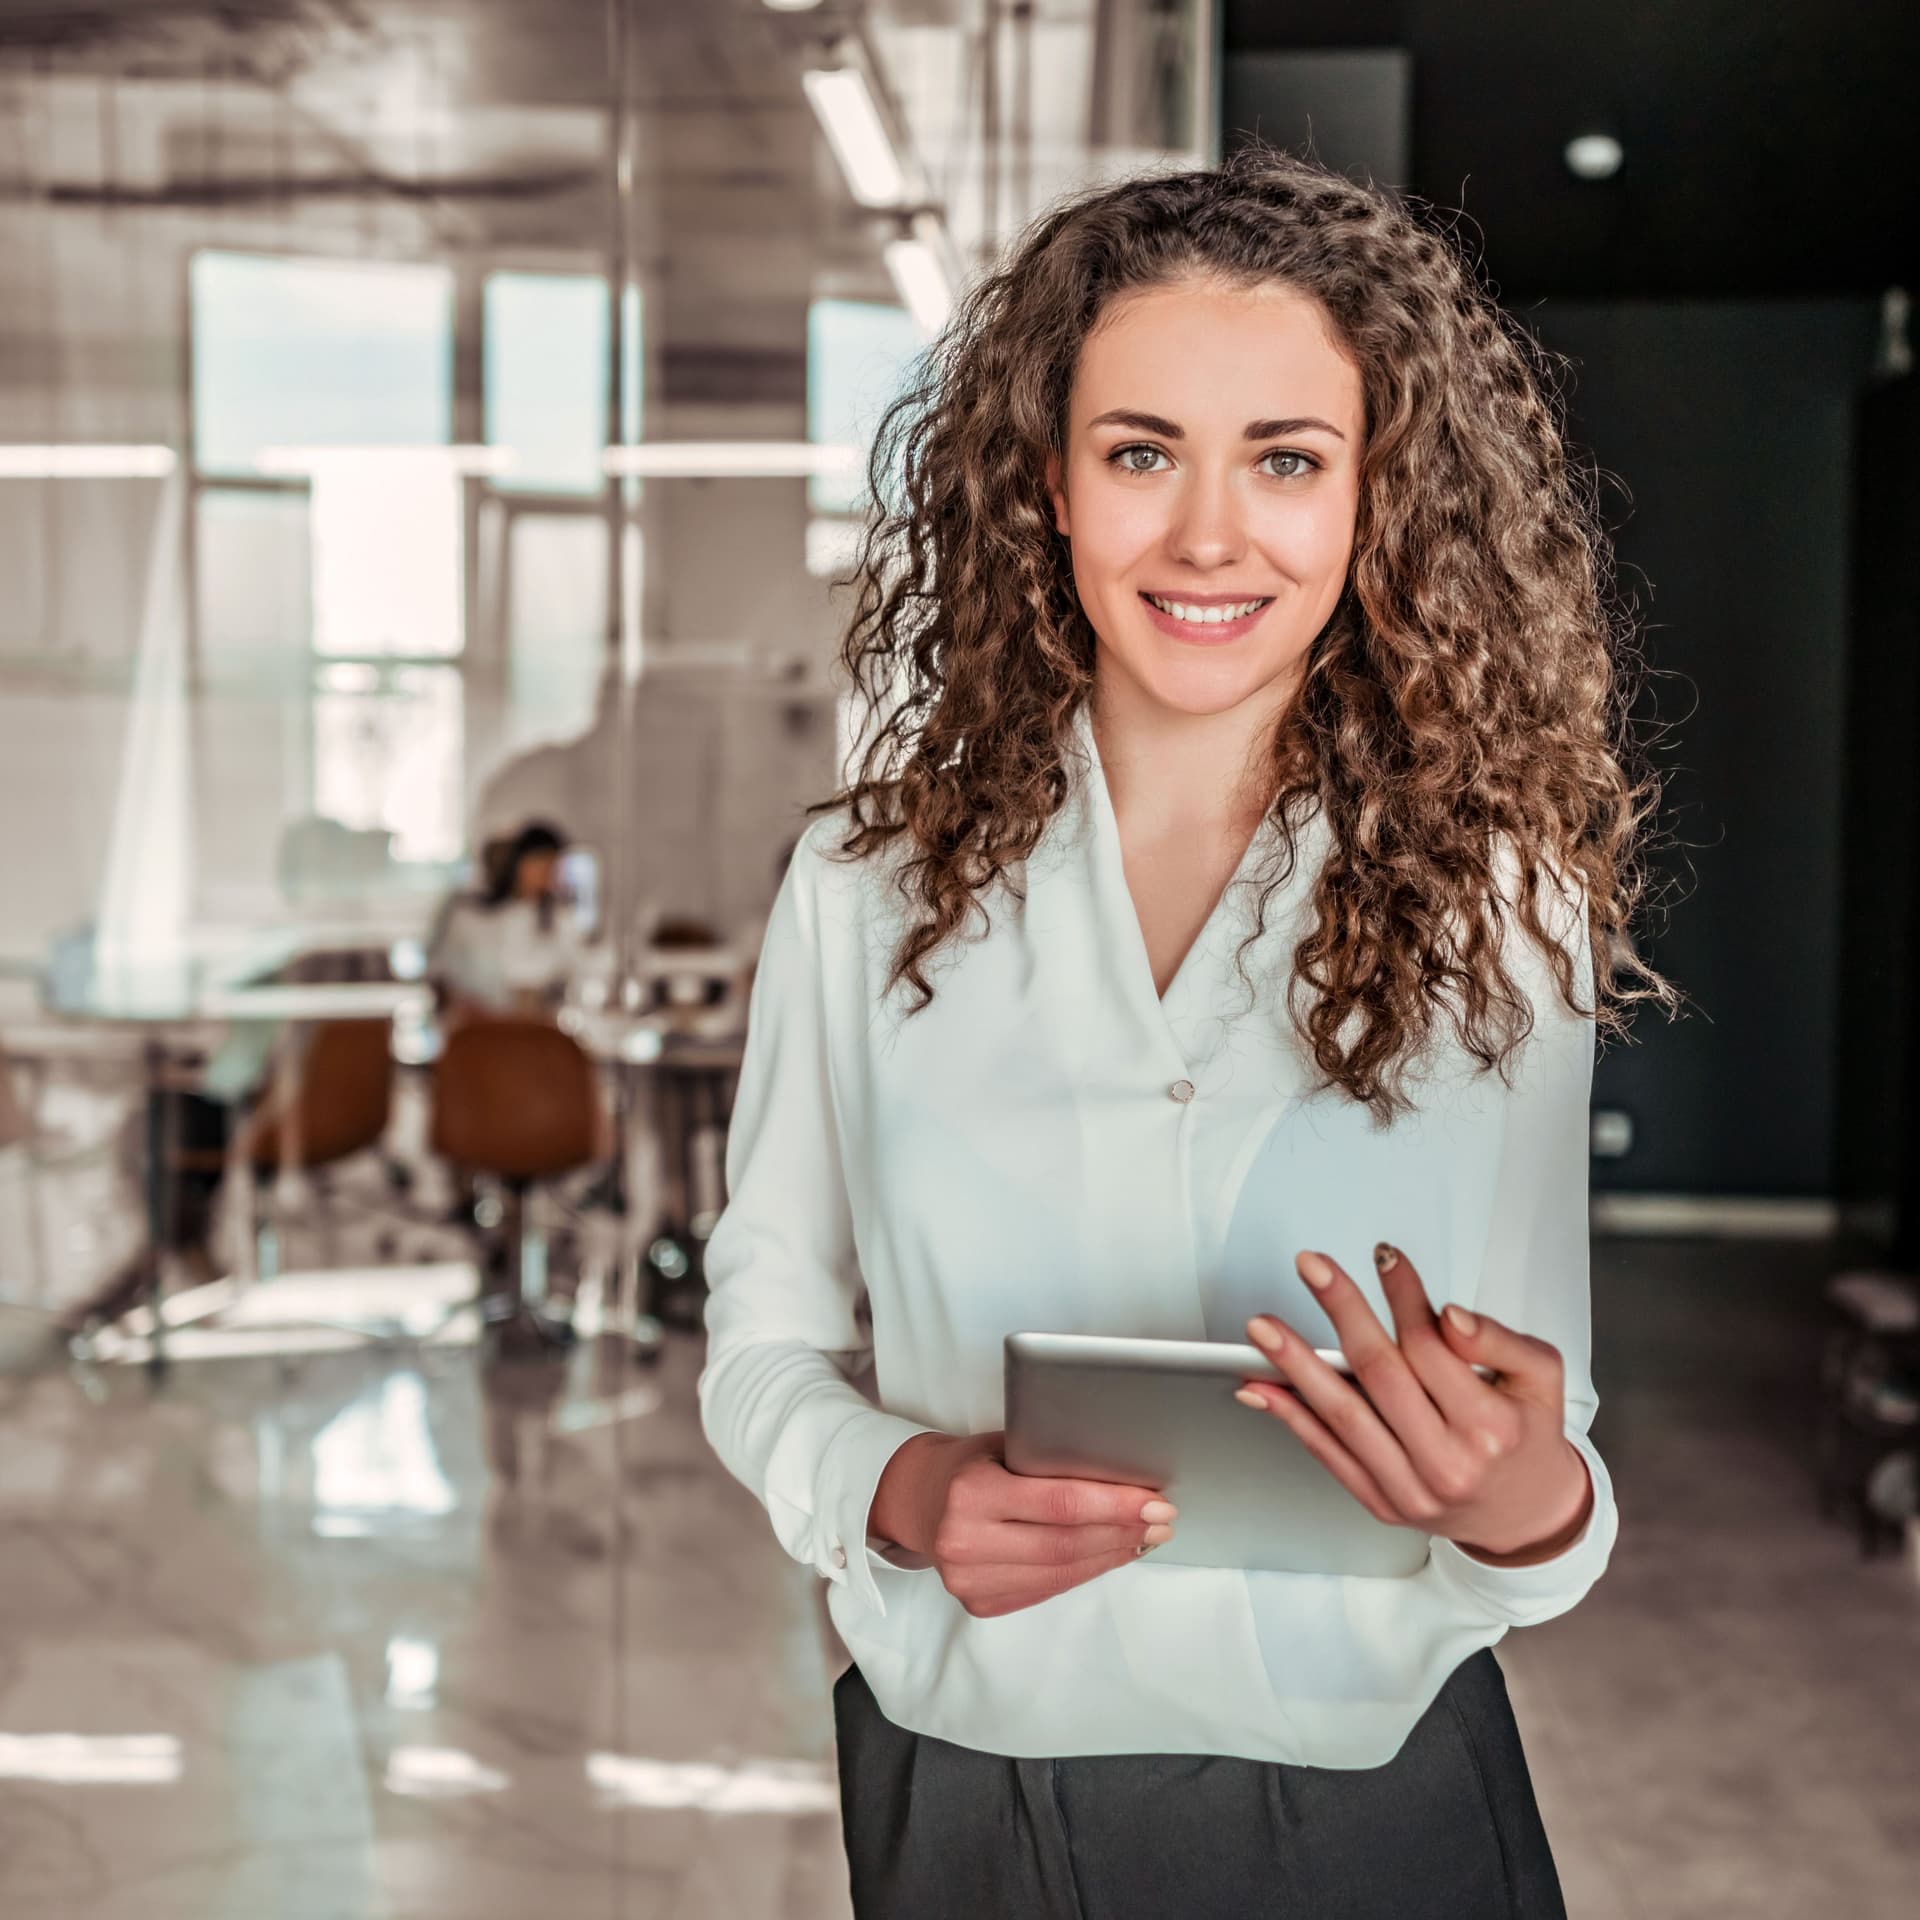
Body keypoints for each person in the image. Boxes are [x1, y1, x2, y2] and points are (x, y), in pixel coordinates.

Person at [697, 142, 1681, 1918]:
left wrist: (1531, 1495)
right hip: (975, 1812)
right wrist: (896, 1487)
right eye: (1141, 452)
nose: (1209, 535)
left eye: (1286, 461)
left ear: (1374, 500)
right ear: (1047, 492)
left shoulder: (1501, 909)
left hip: (1390, 1818)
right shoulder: (861, 889)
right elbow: (760, 1333)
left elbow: (1551, 1446)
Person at [425, 820, 586, 1025]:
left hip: (539, 1031)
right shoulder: (470, 917)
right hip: (477, 1029)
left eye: (552, 866)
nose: (546, 874)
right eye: (539, 864)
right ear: (517, 863)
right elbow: (442, 974)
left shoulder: (560, 920)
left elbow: (577, 970)